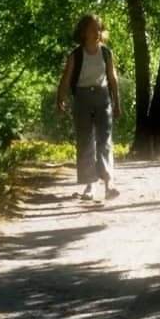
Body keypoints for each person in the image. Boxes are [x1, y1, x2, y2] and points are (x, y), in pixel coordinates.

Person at [55, 15, 121, 202]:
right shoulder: (75, 55)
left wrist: (117, 103)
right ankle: (90, 186)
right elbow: (66, 79)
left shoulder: (106, 53)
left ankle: (109, 185)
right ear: (83, 32)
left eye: (99, 29)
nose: (97, 32)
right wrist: (59, 99)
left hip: (102, 98)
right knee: (85, 142)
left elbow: (112, 78)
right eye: (93, 29)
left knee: (104, 140)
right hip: (82, 99)